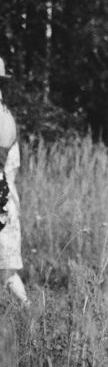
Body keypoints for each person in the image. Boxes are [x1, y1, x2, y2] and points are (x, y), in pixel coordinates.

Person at [0, 57, 28, 307]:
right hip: (6, 201)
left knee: (7, 274)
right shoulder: (5, 116)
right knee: (6, 273)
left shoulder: (2, 119)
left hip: (2, 204)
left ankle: (31, 320)